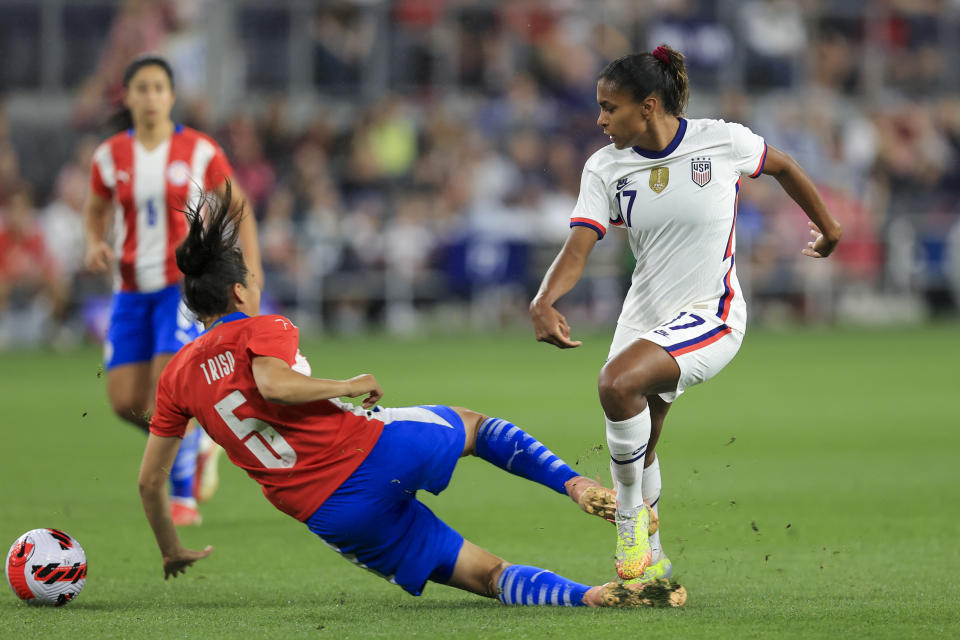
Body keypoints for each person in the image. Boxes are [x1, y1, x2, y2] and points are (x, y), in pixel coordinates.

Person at [137, 183, 687, 609]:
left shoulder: (176, 377)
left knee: (485, 575)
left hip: (330, 514)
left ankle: (590, 598)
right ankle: (578, 485)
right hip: (368, 452)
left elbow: (150, 480)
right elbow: (271, 383)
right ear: (238, 290)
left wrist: (169, 548)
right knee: (473, 427)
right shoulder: (263, 326)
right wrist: (346, 386)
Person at [529, 45, 842, 585]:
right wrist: (543, 299)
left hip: (711, 313)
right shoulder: (604, 167)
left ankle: (629, 520)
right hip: (643, 315)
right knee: (642, 441)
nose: (600, 119)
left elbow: (784, 165)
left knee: (616, 384)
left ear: (648, 106)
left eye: (610, 107)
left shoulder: (721, 140)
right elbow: (579, 245)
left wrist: (829, 228)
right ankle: (652, 561)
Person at [83, 55, 263, 526]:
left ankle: (182, 495)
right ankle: (200, 442)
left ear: (172, 95)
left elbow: (238, 204)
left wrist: (252, 274)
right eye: (141, 88)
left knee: (168, 389)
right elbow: (96, 207)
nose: (150, 96)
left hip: (176, 288)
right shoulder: (108, 156)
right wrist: (93, 242)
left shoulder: (198, 149)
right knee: (125, 402)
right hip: (128, 291)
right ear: (127, 96)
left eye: (158, 87)